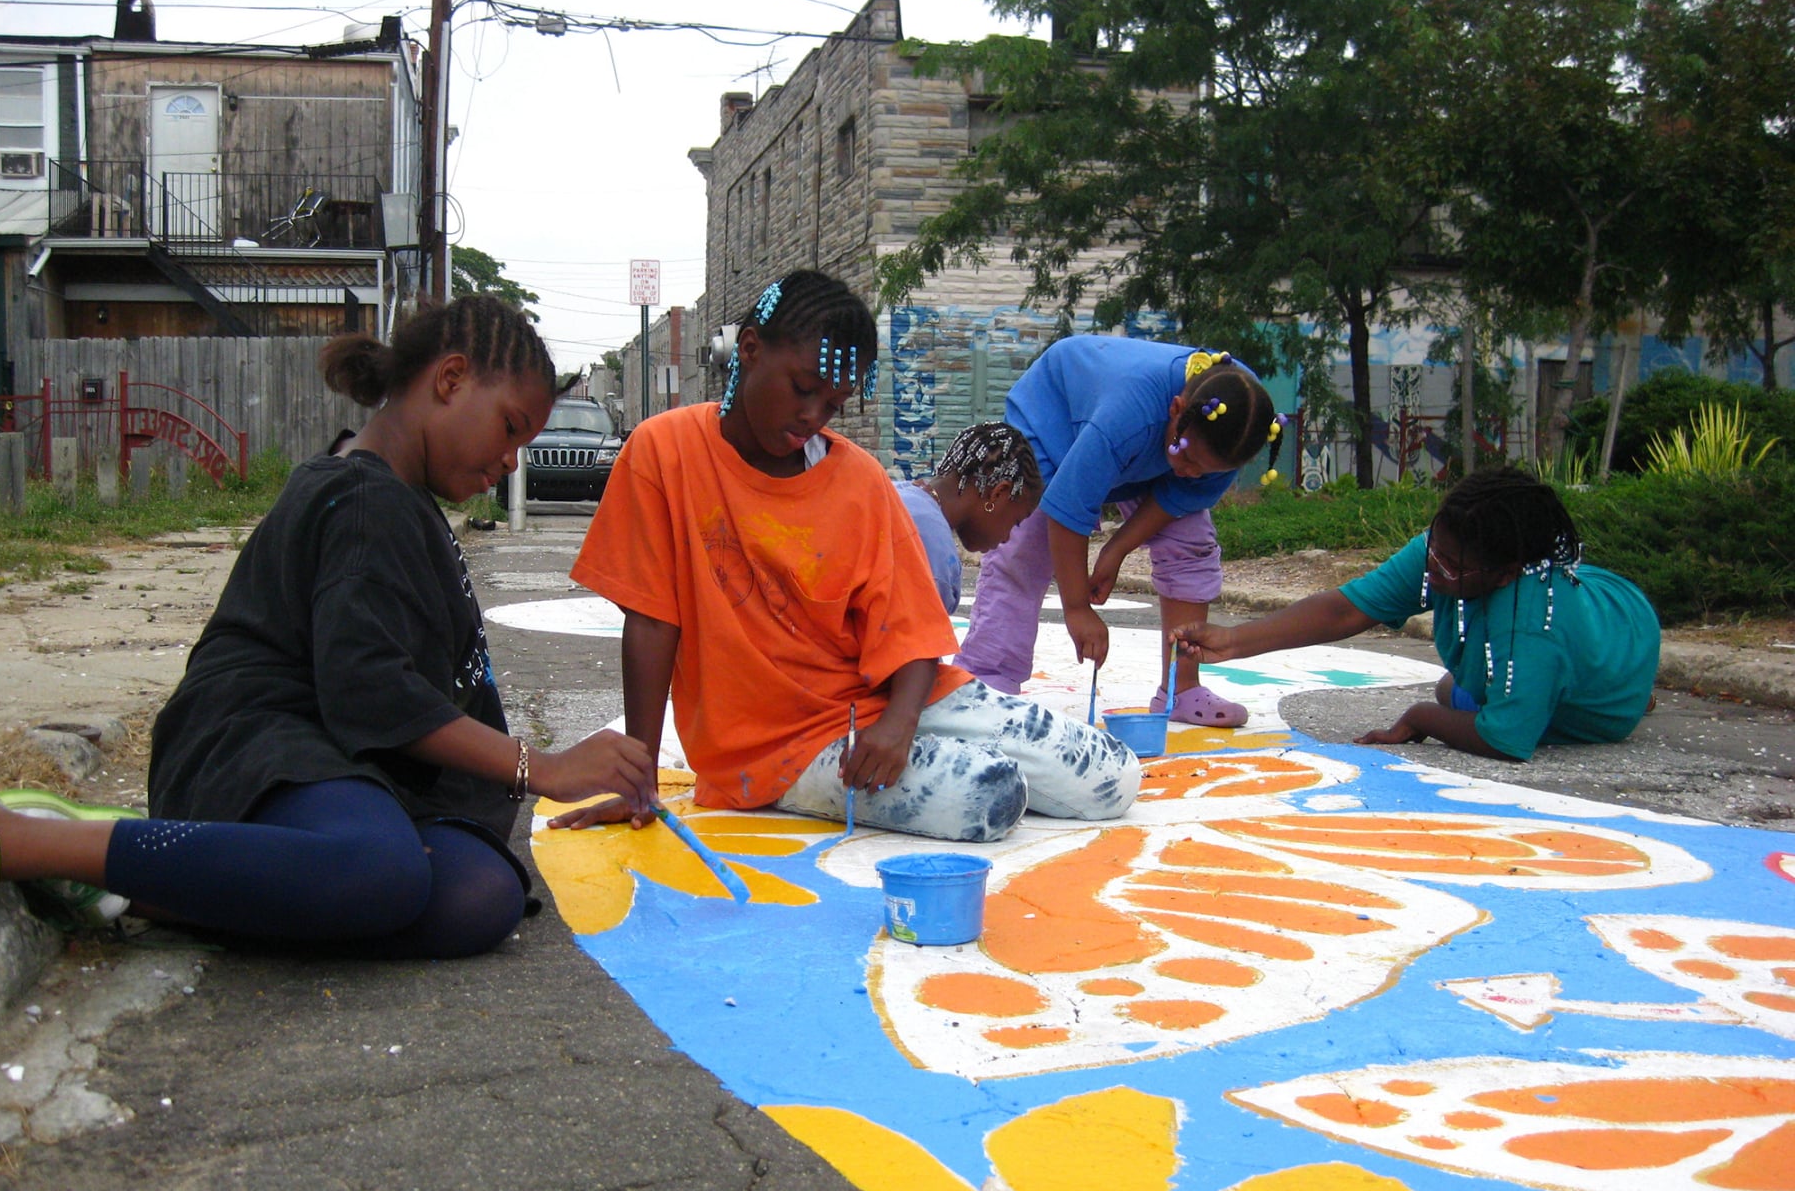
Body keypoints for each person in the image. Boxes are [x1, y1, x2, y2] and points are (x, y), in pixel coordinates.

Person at [0, 295, 655, 958]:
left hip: (349, 758)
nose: (512, 459)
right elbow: (373, 693)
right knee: (377, 871)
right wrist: (541, 767)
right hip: (257, 746)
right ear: (450, 380)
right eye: (510, 428)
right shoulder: (364, 500)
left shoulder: (396, 493)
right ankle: (45, 841)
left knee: (479, 894)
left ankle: (145, 886)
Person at [558, 270, 1140, 844]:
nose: (813, 415)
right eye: (803, 388)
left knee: (1113, 777)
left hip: (893, 704)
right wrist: (637, 780)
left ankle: (935, 751)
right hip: (775, 745)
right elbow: (651, 622)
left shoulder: (860, 479)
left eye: (833, 404)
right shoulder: (664, 451)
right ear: (751, 350)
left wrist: (899, 726)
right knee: (992, 793)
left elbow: (913, 632)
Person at [1171, 466, 1661, 761]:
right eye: (1433, 551)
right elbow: (1345, 610)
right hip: (1600, 617)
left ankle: (1629, 693)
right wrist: (1233, 640)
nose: (1433, 569)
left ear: (1507, 574)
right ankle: (1577, 680)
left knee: (1454, 701)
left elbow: (1506, 740)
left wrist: (1419, 717)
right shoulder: (1449, 550)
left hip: (1613, 664)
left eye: (1450, 567)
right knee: (1453, 689)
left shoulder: (1531, 620)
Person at [955, 335, 1286, 727]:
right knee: (1025, 545)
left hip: (1143, 445)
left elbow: (1176, 499)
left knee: (1191, 544)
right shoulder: (1128, 415)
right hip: (1056, 419)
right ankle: (988, 678)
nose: (1189, 473)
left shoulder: (1239, 424)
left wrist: (1116, 550)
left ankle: (1180, 688)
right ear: (1176, 409)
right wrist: (1077, 608)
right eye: (1188, 458)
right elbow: (1067, 508)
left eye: (1205, 471)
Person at [896, 421, 1042, 613]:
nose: (1007, 538)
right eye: (1015, 522)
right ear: (998, 494)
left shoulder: (897, 491)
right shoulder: (934, 552)